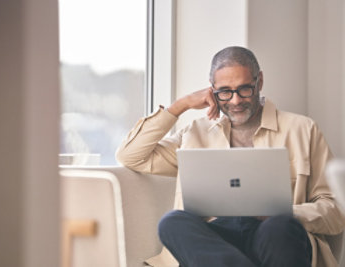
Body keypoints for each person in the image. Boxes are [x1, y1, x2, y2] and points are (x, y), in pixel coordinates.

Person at [116, 46, 345, 267]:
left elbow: (336, 211)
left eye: (245, 89)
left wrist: (284, 213)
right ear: (211, 90)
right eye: (225, 92)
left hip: (276, 235)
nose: (236, 101)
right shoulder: (195, 133)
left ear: (260, 82)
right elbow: (131, 156)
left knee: (280, 225)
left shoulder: (303, 130)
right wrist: (181, 105)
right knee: (171, 223)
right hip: (217, 242)